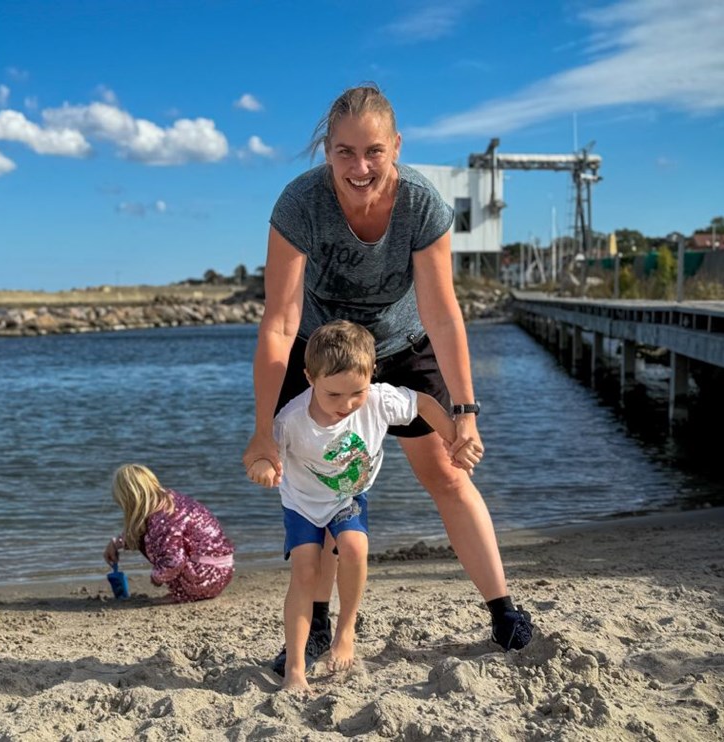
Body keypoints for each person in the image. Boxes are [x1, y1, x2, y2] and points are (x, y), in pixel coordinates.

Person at [242, 83, 534, 674]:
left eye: (373, 151)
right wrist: (263, 431)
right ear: (327, 150)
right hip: (323, 354)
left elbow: (443, 311)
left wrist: (466, 411)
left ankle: (503, 612)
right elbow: (279, 320)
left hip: (403, 346)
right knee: (321, 491)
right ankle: (317, 627)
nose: (359, 166)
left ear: (396, 146)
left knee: (450, 474)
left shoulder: (421, 203)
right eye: (345, 152)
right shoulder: (300, 205)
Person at [249, 320, 464, 691]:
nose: (346, 406)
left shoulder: (379, 398)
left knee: (354, 547)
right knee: (305, 572)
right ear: (309, 377)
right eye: (333, 395)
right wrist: (263, 469)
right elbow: (261, 454)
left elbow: (424, 403)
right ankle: (296, 669)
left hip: (346, 496)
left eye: (356, 393)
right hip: (302, 503)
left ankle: (345, 630)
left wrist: (452, 437)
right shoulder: (291, 419)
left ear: (372, 374)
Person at [103, 463, 234, 603]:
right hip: (221, 570)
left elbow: (174, 560)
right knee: (154, 538)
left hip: (205, 578)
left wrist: (157, 576)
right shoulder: (169, 501)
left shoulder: (162, 518)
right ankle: (188, 590)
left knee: (157, 544)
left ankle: (184, 594)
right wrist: (116, 543)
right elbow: (142, 531)